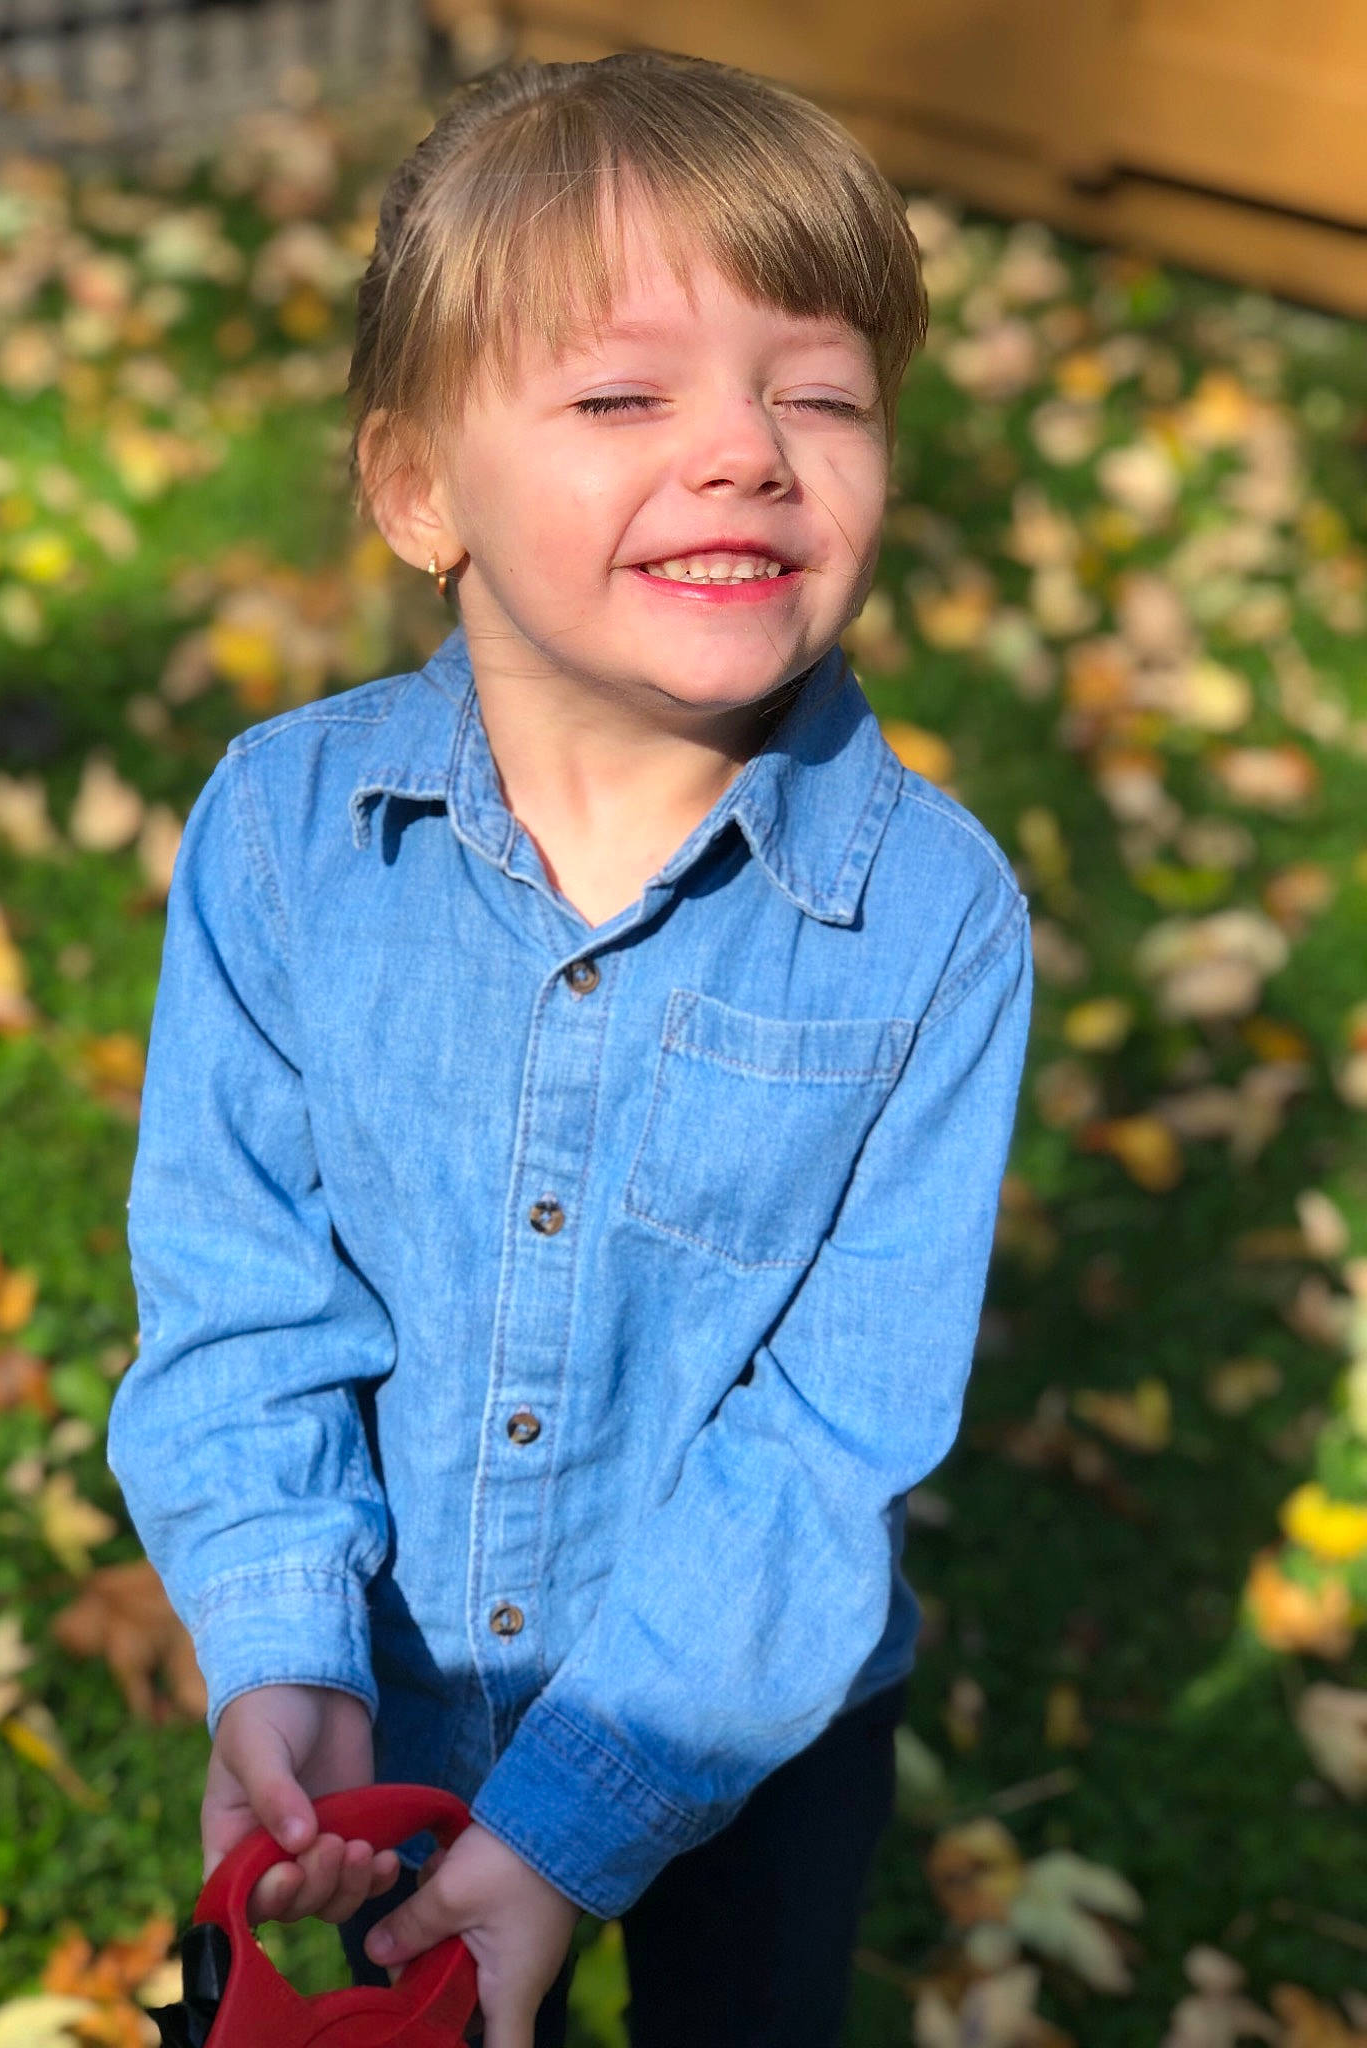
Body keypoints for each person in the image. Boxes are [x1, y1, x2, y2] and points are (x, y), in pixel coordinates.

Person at [106, 47, 1033, 2048]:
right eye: (623, 397)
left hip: (745, 1726)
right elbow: (242, 1301)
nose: (747, 453)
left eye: (822, 397)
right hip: (374, 1696)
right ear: (417, 484)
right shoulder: (281, 836)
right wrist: (284, 1654)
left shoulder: (935, 921)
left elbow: (829, 1444)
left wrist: (567, 1835)